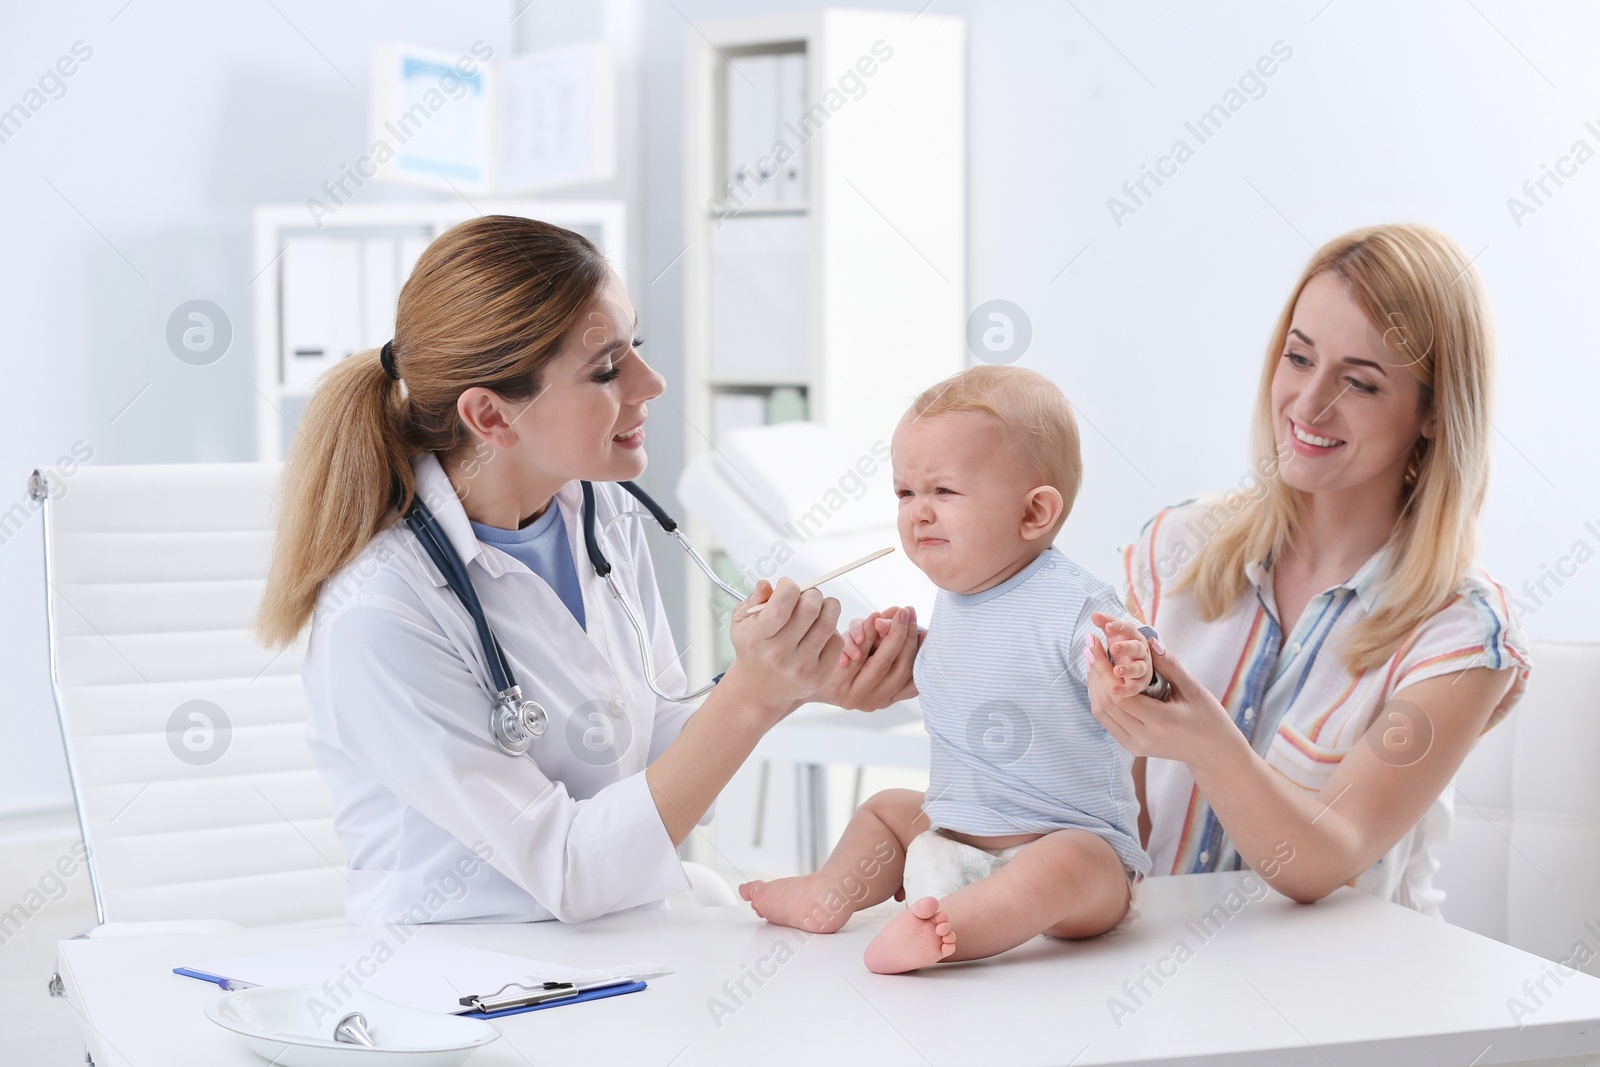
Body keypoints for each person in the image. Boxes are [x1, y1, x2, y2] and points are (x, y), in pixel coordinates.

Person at [253, 215, 920, 925]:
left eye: (636, 347)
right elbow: (568, 870)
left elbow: (659, 749)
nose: (652, 382)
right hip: (463, 983)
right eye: (606, 368)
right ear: (490, 416)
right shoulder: (382, 614)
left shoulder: (598, 511)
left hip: (622, 948)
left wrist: (793, 681)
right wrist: (749, 696)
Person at [1087, 223, 1529, 914]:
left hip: (1348, 1006)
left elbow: (1326, 856)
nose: (1309, 403)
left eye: (1358, 381)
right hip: (1159, 982)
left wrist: (1207, 742)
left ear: (1434, 413)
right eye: (1299, 358)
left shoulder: (1463, 636)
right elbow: (1103, 813)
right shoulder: (1174, 547)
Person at [738, 366, 1153, 973]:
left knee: (1067, 863)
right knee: (885, 809)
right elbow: (985, 672)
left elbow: (1128, 663)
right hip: (951, 840)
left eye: (944, 492)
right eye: (905, 493)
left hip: (1072, 855)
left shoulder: (1074, 603)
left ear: (1034, 514)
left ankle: (952, 929)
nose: (917, 513)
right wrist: (893, 654)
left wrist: (1132, 666)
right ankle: (828, 893)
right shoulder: (958, 599)